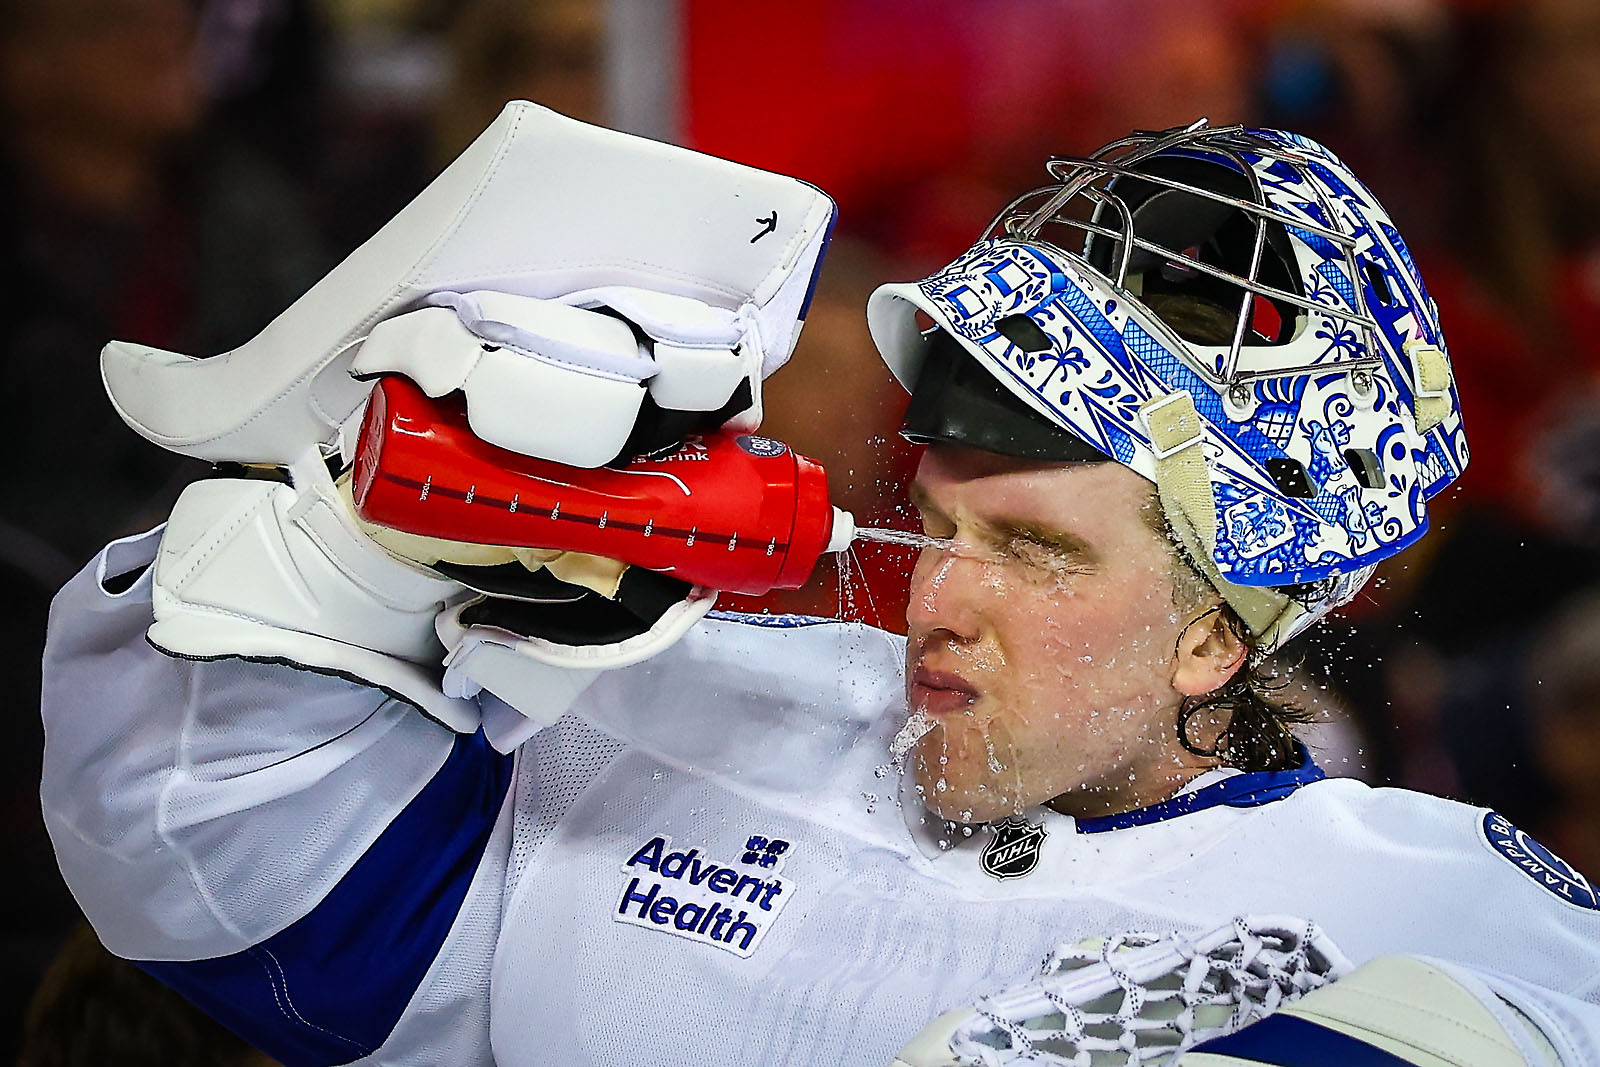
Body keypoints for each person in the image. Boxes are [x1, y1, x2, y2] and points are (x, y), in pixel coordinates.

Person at [39, 103, 1600, 1065]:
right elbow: (222, 903)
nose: (931, 597)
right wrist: (354, 552)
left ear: (1213, 633)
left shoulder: (1439, 902)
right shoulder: (666, 711)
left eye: (1038, 550)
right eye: (934, 521)